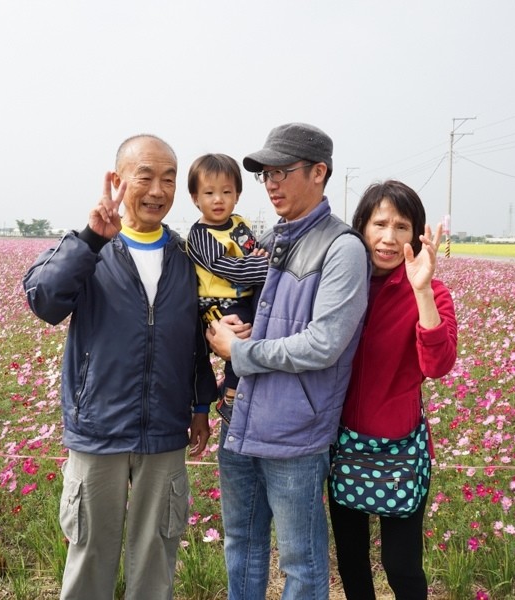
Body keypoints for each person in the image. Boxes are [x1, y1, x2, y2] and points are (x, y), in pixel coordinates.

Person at [22, 134, 218, 600]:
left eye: (169, 179)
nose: (157, 191)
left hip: (165, 432)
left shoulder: (186, 257)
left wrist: (199, 407)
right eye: (145, 177)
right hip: (99, 428)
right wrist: (91, 238)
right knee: (90, 554)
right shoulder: (90, 250)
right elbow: (45, 301)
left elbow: (195, 340)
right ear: (118, 180)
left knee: (156, 557)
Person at [206, 122, 369, 600]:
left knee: (301, 560)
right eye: (265, 174)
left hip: (295, 433)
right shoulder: (271, 239)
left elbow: (323, 344)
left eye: (281, 172)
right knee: (241, 544)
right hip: (240, 420)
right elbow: (264, 316)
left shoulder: (342, 248)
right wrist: (235, 327)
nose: (270, 183)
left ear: (319, 172)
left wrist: (240, 351)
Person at [328, 180, 458, 600]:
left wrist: (421, 291)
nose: (388, 238)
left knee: (401, 565)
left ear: (416, 235)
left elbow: (438, 365)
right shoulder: (340, 285)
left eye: (401, 226)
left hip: (399, 448)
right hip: (342, 443)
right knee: (351, 559)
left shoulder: (432, 292)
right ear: (360, 227)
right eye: (379, 224)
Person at [185, 153, 269, 423]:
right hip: (213, 303)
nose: (218, 199)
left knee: (259, 334)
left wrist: (257, 258)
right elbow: (226, 267)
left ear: (237, 195)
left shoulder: (239, 224)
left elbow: (253, 250)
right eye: (209, 193)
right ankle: (230, 397)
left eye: (226, 192)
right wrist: (266, 268)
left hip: (241, 298)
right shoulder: (200, 235)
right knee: (240, 340)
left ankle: (230, 388)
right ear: (195, 198)